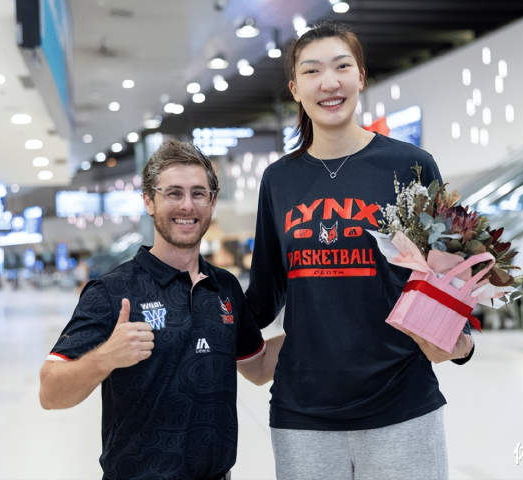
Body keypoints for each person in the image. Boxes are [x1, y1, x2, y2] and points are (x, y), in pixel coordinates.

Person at [245, 22, 474, 480]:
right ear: (295, 89)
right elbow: (265, 292)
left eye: (342, 67)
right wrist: (206, 316)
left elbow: (450, 272)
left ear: (361, 77)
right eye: (312, 71)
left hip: (402, 404)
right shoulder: (278, 180)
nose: (329, 83)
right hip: (303, 413)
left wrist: (461, 341)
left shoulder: (411, 165)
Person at [39, 138, 283, 480]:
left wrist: (322, 327)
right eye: (173, 193)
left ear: (212, 202)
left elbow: (257, 368)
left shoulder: (225, 288)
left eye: (198, 193)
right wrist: (106, 357)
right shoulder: (112, 292)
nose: (187, 205)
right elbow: (50, 392)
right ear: (149, 201)